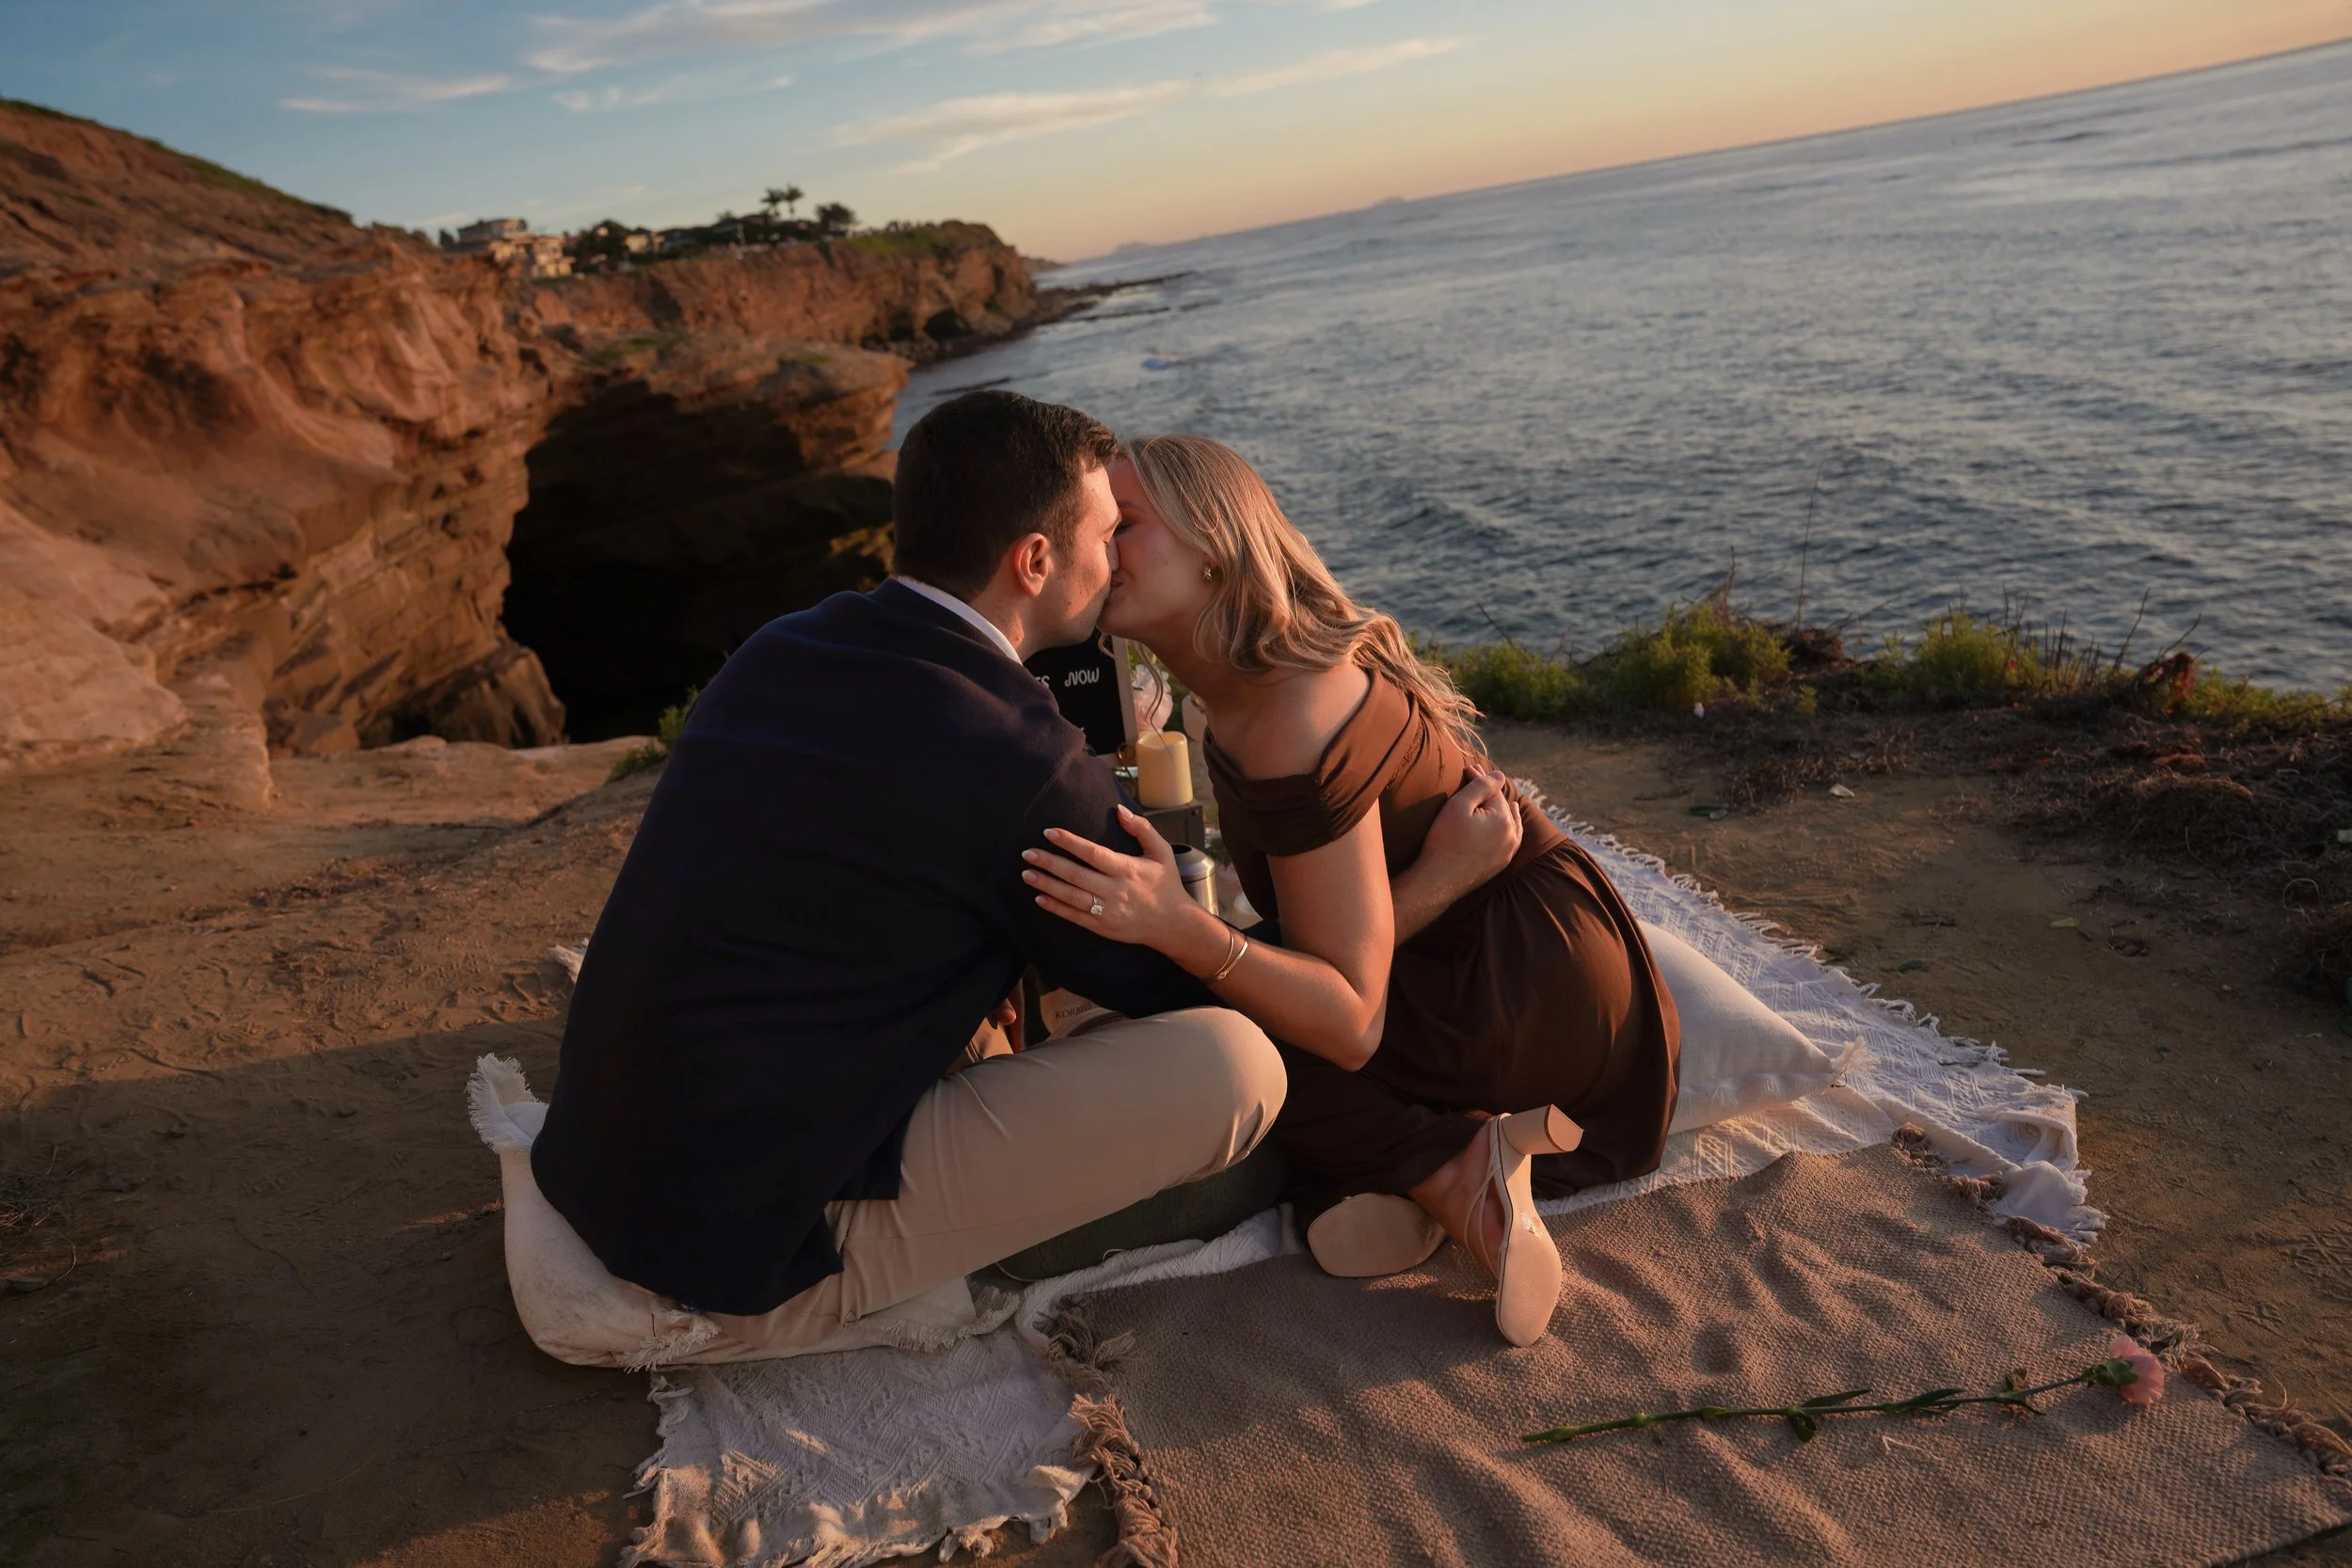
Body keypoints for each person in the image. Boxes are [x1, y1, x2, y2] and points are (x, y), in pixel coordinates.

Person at [527, 392, 1303, 1359]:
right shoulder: (1017, 754)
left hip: (607, 1158)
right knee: (1233, 1068)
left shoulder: (786, 645)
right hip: (733, 1246)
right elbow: (1175, 986)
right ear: (1033, 559)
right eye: (1107, 535)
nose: (1113, 562)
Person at [1020, 435, 1681, 1347]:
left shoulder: (1290, 709)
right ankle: (1432, 1190)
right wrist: (1438, 874)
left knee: (1237, 1045)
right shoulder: (1240, 693)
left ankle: (1451, 1173)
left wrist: (1181, 926)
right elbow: (1338, 935)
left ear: (1212, 541)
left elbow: (1348, 1016)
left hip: (1518, 979)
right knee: (1229, 1011)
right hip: (1509, 956)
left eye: (1122, 524)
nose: (1098, 549)